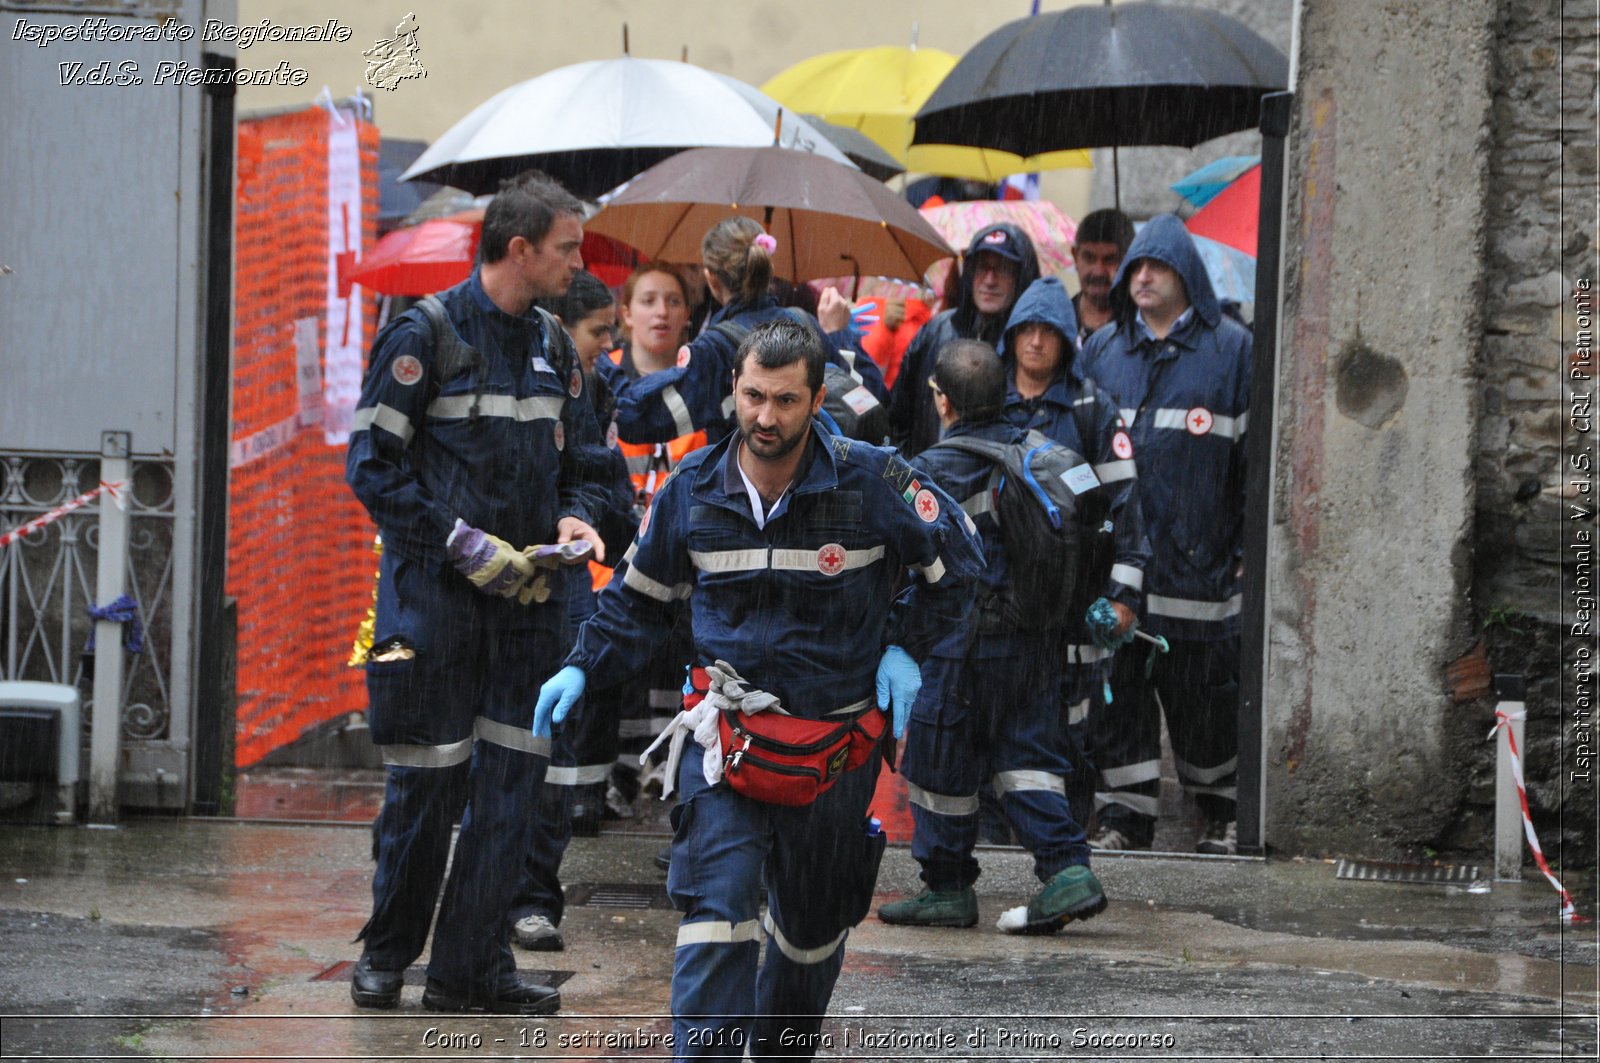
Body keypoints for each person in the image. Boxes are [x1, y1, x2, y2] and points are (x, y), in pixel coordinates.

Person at [533, 317, 983, 1060]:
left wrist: (904, 645)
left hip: (835, 751)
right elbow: (639, 602)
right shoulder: (691, 488)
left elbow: (960, 569)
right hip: (726, 741)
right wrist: (583, 662)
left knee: (809, 936)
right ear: (732, 392)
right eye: (752, 396)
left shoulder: (873, 480)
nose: (765, 417)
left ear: (815, 401)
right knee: (717, 914)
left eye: (784, 400)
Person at [345, 170, 611, 1015]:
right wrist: (463, 546)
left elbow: (590, 469)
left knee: (510, 792)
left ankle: (469, 971)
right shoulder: (425, 333)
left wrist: (578, 520)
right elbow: (370, 468)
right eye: (568, 247)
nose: (579, 262)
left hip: (530, 611)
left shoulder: (555, 347)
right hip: (435, 605)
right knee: (426, 785)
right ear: (520, 248)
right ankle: (387, 956)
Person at [877, 338, 1117, 935]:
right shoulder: (1036, 451)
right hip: (1033, 639)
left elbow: (909, 565)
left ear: (943, 401)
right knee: (1027, 755)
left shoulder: (931, 472)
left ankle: (947, 887)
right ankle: (1067, 868)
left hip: (962, 644)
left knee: (938, 759)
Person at [1078, 213, 1252, 856]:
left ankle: (1220, 811)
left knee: (1205, 699)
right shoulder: (1102, 350)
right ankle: (1125, 818)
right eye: (1135, 268)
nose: (1141, 277)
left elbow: (1252, 463)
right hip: (1123, 574)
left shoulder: (1232, 349)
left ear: (1186, 275)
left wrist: (1240, 554)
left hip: (1200, 572)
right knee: (1118, 701)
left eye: (1155, 266)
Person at [996, 276, 1148, 828]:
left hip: (1074, 609)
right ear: (1011, 336)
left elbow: (1127, 505)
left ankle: (1067, 843)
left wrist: (1122, 594)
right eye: (1026, 329)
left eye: (1049, 331)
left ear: (1066, 340)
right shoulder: (992, 399)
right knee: (1000, 730)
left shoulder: (1091, 407)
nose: (1036, 341)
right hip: (1004, 606)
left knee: (1073, 734)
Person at [508, 270, 628, 954]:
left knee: (551, 738)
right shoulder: (493, 362)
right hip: (491, 582)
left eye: (613, 332)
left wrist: (580, 515)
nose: (607, 346)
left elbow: (600, 479)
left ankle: (531, 895)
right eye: (598, 332)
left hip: (566, 581)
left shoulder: (595, 389)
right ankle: (482, 890)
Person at [601, 215, 887, 446]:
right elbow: (873, 401)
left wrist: (597, 356)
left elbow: (634, 421)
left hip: (745, 504)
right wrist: (840, 336)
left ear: (711, 279)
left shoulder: (714, 351)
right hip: (815, 493)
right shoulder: (804, 322)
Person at [888, 223, 1041, 458]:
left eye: (1002, 268)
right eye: (982, 267)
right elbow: (899, 416)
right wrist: (910, 474)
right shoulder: (938, 330)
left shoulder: (1034, 345)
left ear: (1020, 277)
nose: (989, 280)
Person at [1069, 208, 1136, 345]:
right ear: (1075, 257)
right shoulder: (1058, 320)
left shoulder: (1142, 324)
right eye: (1089, 258)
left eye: (1110, 260)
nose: (1098, 272)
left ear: (1129, 260)